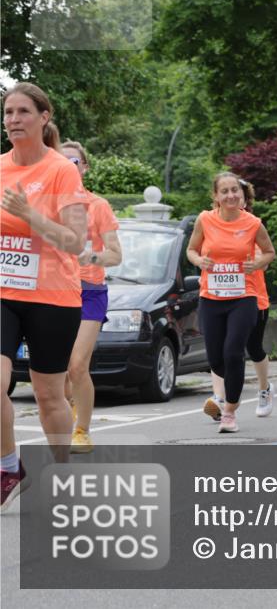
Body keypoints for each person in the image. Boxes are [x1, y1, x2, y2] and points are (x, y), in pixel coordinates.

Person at [1, 83, 88, 510]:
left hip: (52, 295)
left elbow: (74, 241)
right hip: (3, 292)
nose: (13, 120)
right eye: (8, 112)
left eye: (22, 112)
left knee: (49, 395)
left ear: (44, 117)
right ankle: (9, 466)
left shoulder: (61, 171)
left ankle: (62, 471)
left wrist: (31, 216)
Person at [187, 173, 275, 433]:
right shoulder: (205, 220)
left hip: (243, 297)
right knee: (216, 359)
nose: (230, 196)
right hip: (212, 297)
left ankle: (230, 411)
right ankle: (230, 394)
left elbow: (269, 252)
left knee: (233, 352)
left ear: (242, 194)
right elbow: (191, 249)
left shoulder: (253, 223)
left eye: (234, 190)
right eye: (224, 191)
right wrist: (199, 261)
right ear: (215, 196)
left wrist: (257, 263)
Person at [61, 141, 122, 454]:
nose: (68, 166)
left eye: (74, 161)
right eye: (61, 160)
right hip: (54, 292)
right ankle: (71, 409)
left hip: (89, 293)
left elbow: (115, 255)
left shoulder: (98, 206)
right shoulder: (45, 205)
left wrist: (91, 257)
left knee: (77, 365)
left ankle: (82, 430)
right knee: (55, 372)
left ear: (84, 167)